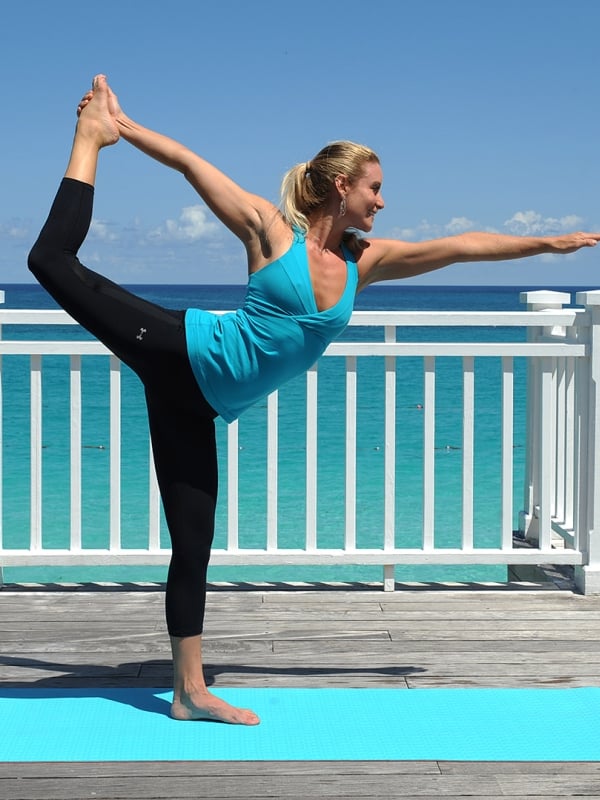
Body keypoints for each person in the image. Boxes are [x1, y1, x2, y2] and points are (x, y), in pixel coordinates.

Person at [28, 75, 600, 726]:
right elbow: (191, 164)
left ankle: (188, 693)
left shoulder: (364, 261)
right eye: (375, 188)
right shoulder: (272, 233)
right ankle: (85, 141)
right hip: (177, 349)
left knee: (193, 545)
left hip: (198, 405)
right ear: (341, 186)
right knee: (50, 260)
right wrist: (117, 129)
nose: (383, 201)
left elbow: (460, 248)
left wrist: (548, 245)